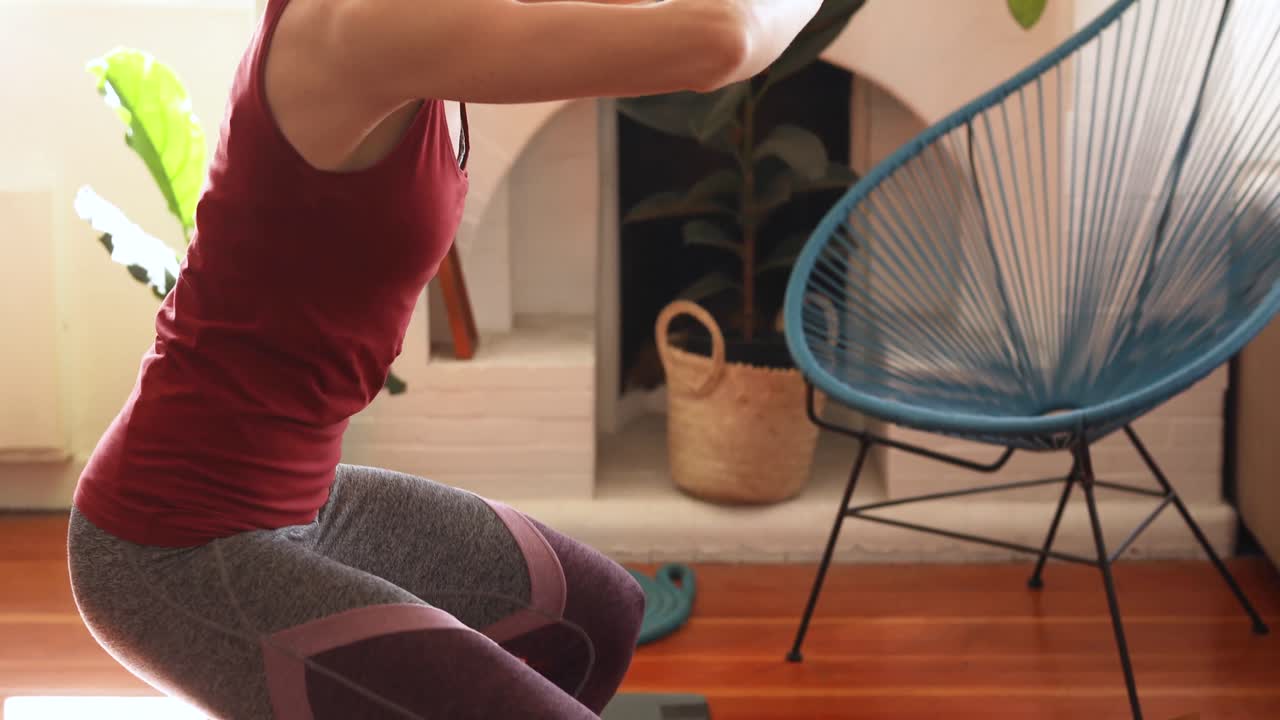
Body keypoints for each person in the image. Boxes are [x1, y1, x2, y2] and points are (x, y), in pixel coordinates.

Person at [65, 0, 823, 717]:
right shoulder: (367, 25)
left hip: (303, 500)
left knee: (597, 615)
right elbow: (719, 40)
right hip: (174, 543)